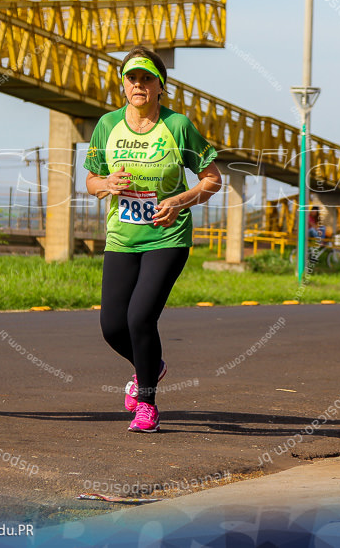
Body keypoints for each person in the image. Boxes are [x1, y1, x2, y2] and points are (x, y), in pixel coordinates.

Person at [84, 46, 222, 433]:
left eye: (147, 78)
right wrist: (106, 184)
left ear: (161, 85)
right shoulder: (108, 125)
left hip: (167, 236)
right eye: (132, 78)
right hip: (122, 237)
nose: (139, 85)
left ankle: (146, 403)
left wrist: (179, 201)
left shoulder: (178, 126)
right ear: (123, 85)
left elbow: (212, 179)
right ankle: (152, 367)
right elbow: (91, 180)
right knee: (113, 326)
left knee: (140, 318)